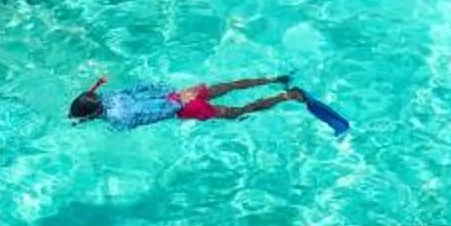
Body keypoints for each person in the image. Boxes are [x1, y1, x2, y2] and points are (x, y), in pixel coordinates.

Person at [70, 74, 305, 129]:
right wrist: (176, 93)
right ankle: (274, 79)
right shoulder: (109, 96)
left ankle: (287, 96)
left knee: (239, 113)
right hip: (180, 94)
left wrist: (179, 104)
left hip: (184, 106)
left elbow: (156, 114)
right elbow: (140, 89)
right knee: (229, 86)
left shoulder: (118, 118)